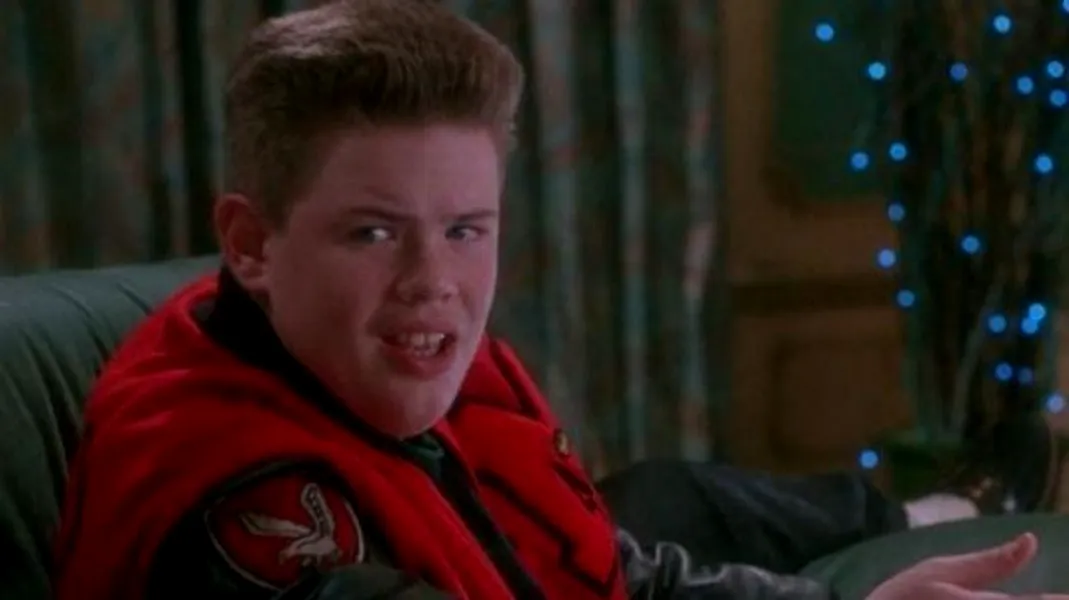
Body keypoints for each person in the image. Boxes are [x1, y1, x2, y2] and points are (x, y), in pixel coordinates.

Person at [50, 1, 1068, 599]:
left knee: (674, 494)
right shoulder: (247, 519)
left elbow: (609, 575)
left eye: (466, 229)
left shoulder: (384, 361)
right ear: (248, 246)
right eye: (373, 233)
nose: (433, 281)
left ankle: (926, 510)